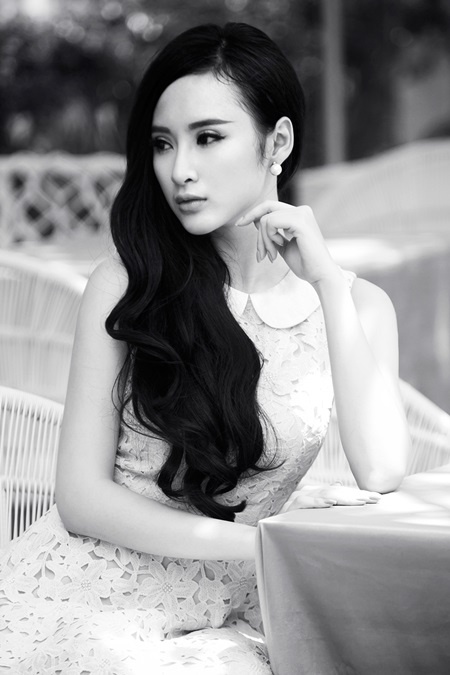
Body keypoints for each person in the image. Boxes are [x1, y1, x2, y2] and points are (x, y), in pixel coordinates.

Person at [0, 22, 410, 673]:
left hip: (226, 623)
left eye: (209, 137)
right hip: (85, 602)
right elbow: (81, 497)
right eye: (163, 143)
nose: (179, 170)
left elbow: (382, 470)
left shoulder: (357, 305)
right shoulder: (127, 284)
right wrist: (259, 543)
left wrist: (328, 284)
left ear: (277, 142)